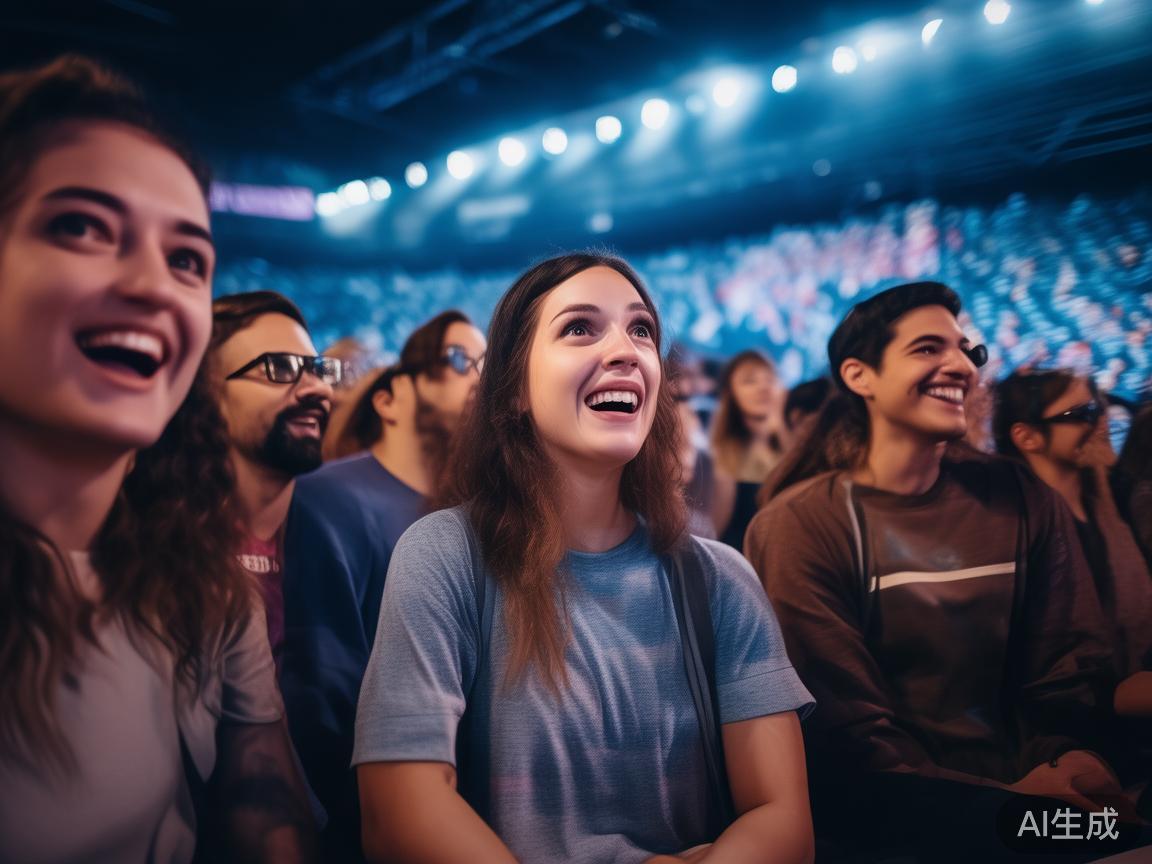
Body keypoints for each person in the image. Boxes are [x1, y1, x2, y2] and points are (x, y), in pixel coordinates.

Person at [354, 253, 815, 864]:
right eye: (579, 327)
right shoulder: (446, 555)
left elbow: (783, 821)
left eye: (641, 330)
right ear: (514, 389)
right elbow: (398, 815)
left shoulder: (720, 578)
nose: (626, 351)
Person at [0, 55, 313, 862]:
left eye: (187, 260)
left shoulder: (204, 581)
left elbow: (259, 780)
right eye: (82, 227)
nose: (153, 286)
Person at [744, 282, 1130, 861]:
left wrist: (1075, 760)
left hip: (1034, 803)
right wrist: (1012, 804)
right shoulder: (802, 525)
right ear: (859, 376)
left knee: (1125, 835)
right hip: (898, 828)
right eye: (928, 348)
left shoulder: (1020, 496)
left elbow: (1066, 672)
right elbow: (850, 741)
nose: (962, 366)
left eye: (968, 351)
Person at [278, 310, 486, 862]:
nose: (477, 379)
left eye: (486, 366)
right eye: (459, 360)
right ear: (390, 399)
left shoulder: (474, 514)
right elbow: (323, 688)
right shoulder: (330, 497)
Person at [207, 290, 340, 669]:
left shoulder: (342, 538)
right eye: (280, 368)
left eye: (318, 369)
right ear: (208, 392)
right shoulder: (159, 544)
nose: (319, 389)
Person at [993, 369, 1152, 684]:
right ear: (1027, 437)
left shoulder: (1111, 504)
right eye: (1082, 414)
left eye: (1098, 408)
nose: (1102, 422)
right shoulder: (1017, 531)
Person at [709, 349, 786, 549]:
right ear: (730, 393)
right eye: (749, 381)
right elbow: (713, 534)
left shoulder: (795, 449)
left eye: (770, 379)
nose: (763, 388)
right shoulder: (717, 456)